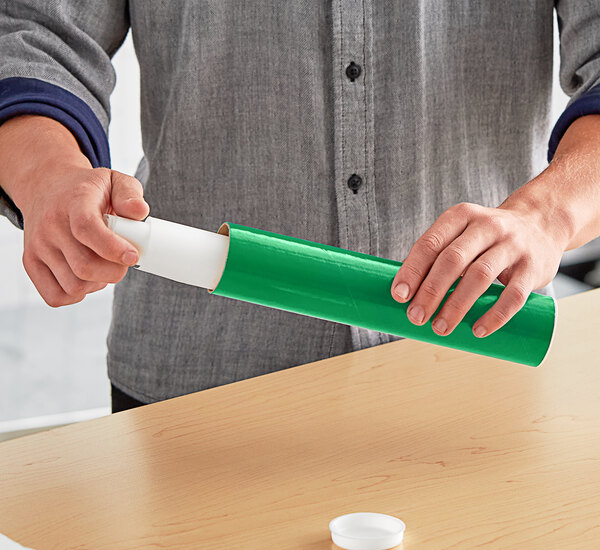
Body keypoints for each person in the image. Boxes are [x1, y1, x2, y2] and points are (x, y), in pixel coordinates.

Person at [1, 3, 599, 412]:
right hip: (198, 388)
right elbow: (34, 33)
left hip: (474, 372)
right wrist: (49, 174)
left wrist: (550, 213)